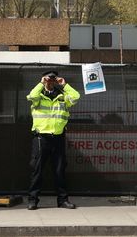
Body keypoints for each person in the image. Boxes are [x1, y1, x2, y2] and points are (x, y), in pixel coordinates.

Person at [27, 70, 80, 210]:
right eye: (48, 79)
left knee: (59, 170)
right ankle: (33, 200)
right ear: (44, 80)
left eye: (53, 79)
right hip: (41, 138)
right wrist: (41, 83)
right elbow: (32, 95)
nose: (50, 82)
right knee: (37, 170)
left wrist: (65, 85)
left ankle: (62, 200)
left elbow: (76, 97)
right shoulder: (38, 96)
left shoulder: (62, 97)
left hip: (58, 138)